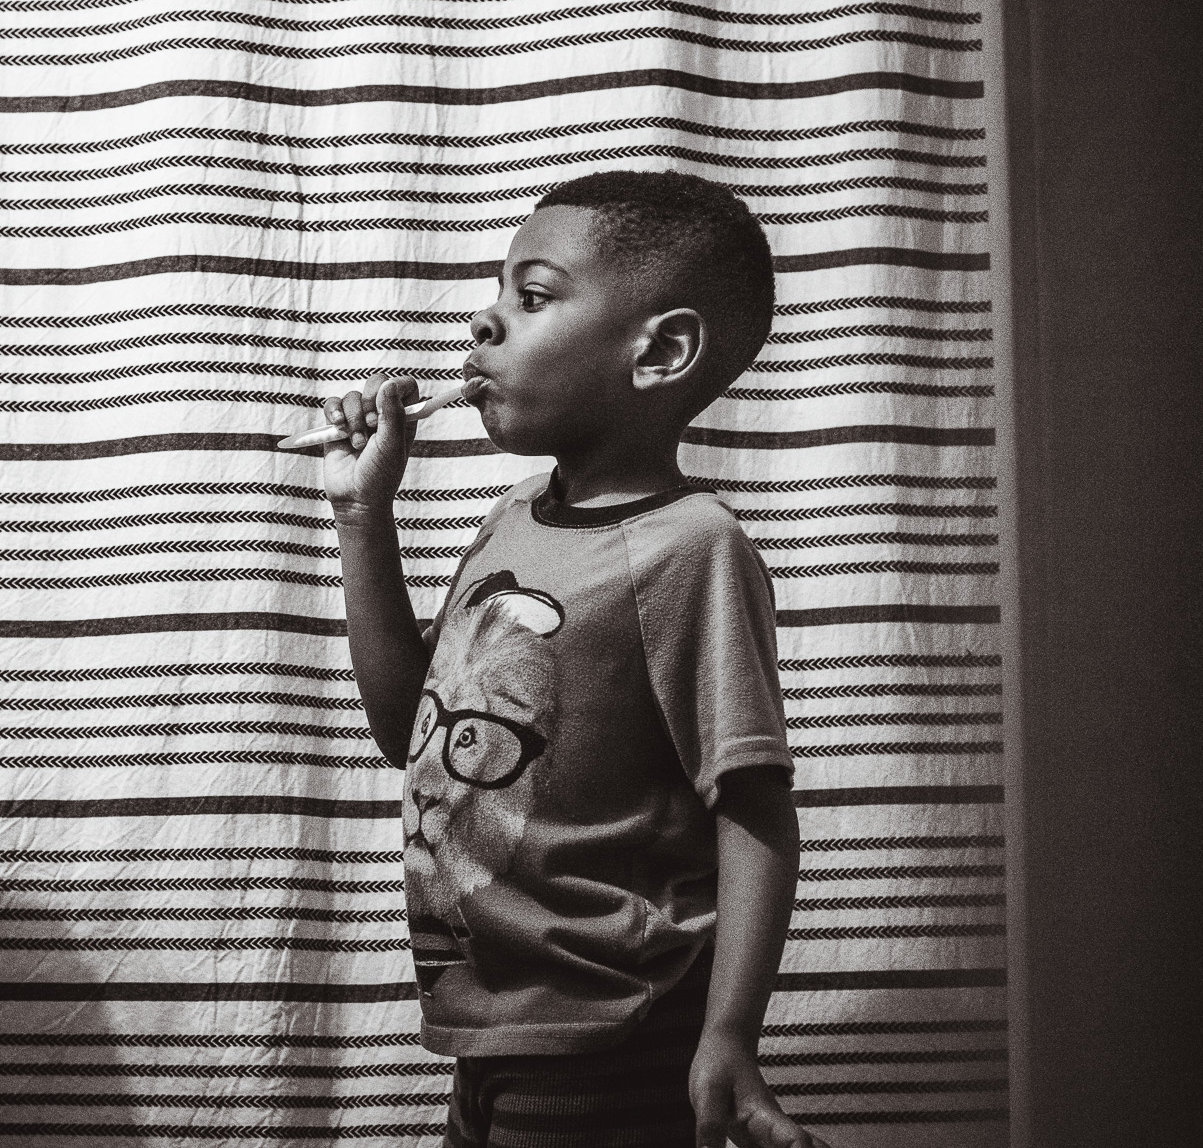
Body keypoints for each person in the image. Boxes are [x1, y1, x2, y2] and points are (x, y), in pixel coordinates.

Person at [318, 171, 831, 1148]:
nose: (484, 321)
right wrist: (360, 517)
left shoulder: (689, 547)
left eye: (533, 294)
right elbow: (405, 731)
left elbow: (754, 808)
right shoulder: (508, 521)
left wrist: (728, 1036)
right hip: (488, 1028)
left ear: (661, 352)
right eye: (496, 291)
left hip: (608, 1037)